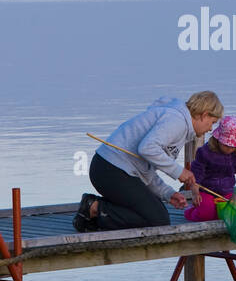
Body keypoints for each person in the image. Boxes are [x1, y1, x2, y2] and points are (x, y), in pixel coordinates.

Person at [74, 91, 223, 232]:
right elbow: (147, 148)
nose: (210, 129)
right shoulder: (176, 121)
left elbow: (145, 169)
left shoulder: (178, 122)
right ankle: (94, 208)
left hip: (116, 170)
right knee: (158, 220)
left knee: (158, 215)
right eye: (212, 122)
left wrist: (168, 193)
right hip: (110, 169)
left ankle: (95, 214)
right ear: (204, 115)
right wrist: (178, 171)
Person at [184, 115, 236, 222]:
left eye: (234, 146)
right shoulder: (205, 152)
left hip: (227, 191)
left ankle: (213, 210)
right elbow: (196, 175)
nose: (230, 149)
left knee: (232, 214)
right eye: (227, 145)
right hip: (206, 191)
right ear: (217, 139)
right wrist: (195, 193)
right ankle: (190, 212)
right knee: (206, 215)